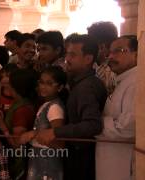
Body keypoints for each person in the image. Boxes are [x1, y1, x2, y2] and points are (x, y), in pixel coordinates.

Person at [35, 34, 107, 180]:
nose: (67, 58)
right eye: (67, 53)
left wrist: (55, 132)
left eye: (73, 55)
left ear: (88, 59)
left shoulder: (86, 87)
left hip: (82, 155)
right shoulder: (80, 83)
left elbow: (93, 124)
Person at [96, 35, 138, 180]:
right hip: (112, 161)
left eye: (118, 51)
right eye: (110, 52)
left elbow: (128, 128)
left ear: (137, 54)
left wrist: (95, 123)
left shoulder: (135, 83)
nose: (110, 56)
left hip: (121, 165)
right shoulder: (125, 80)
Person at [19, 66, 67, 180]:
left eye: (49, 83)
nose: (43, 87)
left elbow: (59, 142)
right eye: (41, 82)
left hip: (47, 161)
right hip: (39, 159)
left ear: (60, 87)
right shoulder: (46, 104)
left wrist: (34, 134)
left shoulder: (54, 107)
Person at [0, 68, 37, 179]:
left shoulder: (21, 110)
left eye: (9, 82)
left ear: (15, 87)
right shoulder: (20, 103)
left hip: (18, 163)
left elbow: (17, 146)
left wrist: (1, 124)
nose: (6, 84)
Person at [87, 21, 118, 95]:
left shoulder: (112, 71)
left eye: (90, 45)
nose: (87, 48)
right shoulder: (92, 64)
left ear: (101, 46)